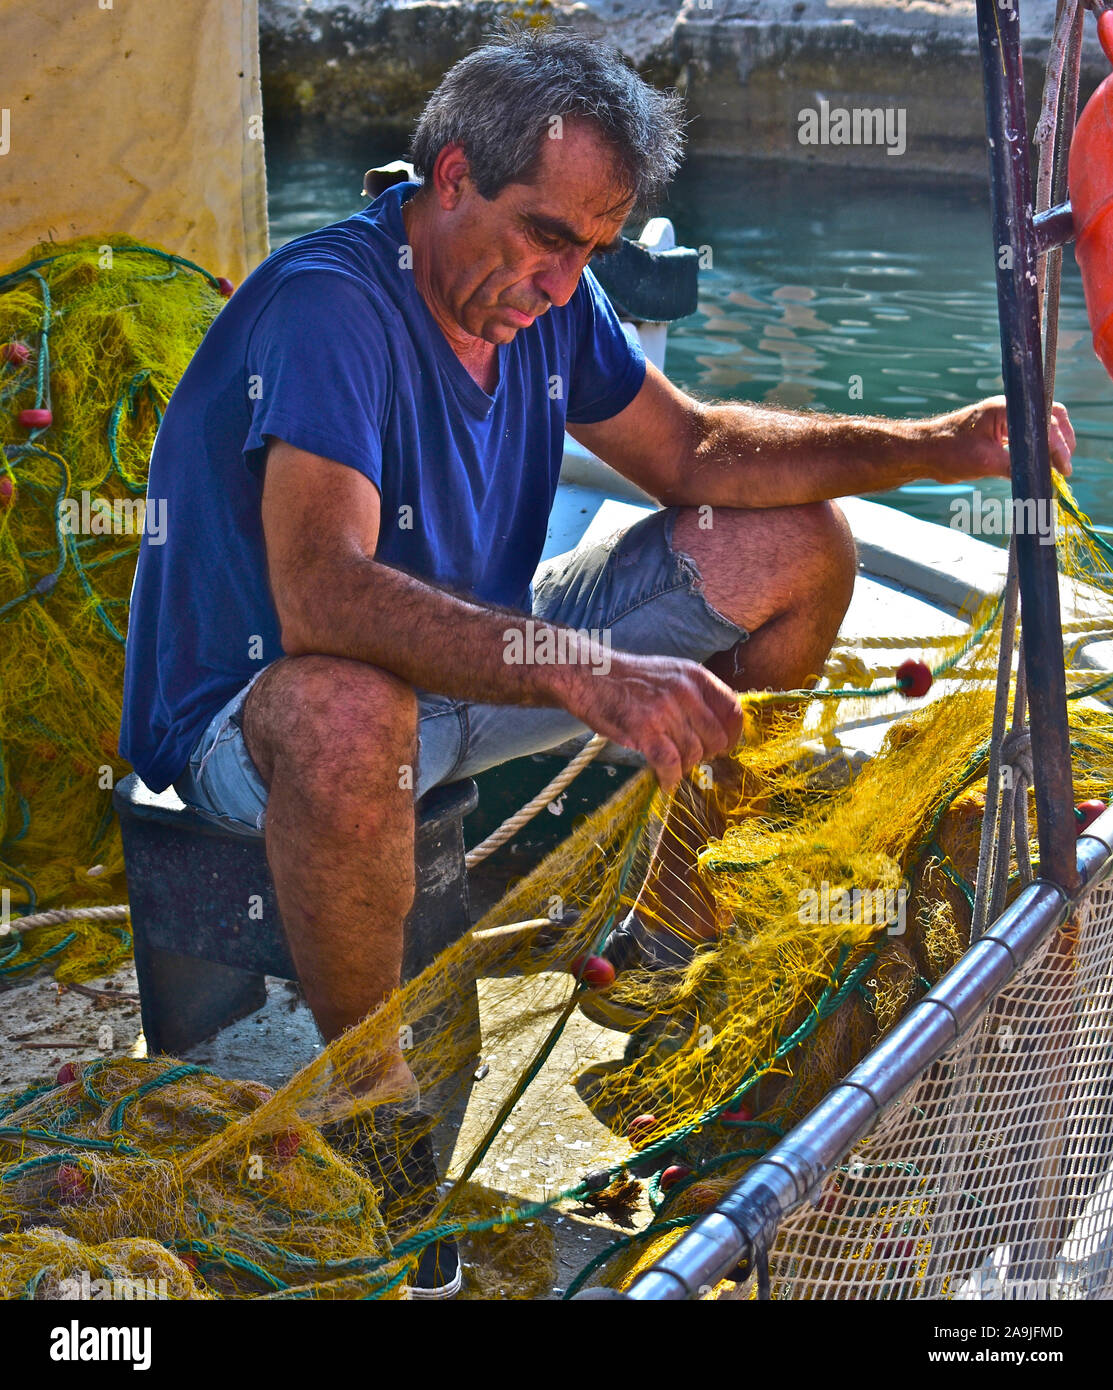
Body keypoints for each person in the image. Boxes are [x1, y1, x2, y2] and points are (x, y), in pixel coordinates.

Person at [119, 28, 1075, 1296]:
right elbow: (325, 598)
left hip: (483, 666)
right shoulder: (329, 310)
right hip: (256, 713)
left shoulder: (550, 305)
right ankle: (379, 1105)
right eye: (548, 238)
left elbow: (704, 458)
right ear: (449, 177)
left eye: (591, 249)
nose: (564, 283)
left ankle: (680, 902)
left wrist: (941, 441)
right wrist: (577, 667)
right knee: (351, 712)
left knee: (791, 542)